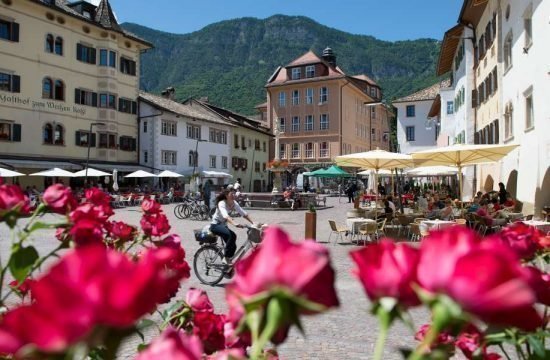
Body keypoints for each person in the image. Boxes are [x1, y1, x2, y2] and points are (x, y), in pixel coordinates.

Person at [210, 188, 254, 265]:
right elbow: (225, 216)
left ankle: (228, 263)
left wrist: (253, 223)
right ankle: (226, 258)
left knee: (233, 243)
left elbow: (243, 213)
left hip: (223, 225)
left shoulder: (234, 203)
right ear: (226, 195)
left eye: (234, 193)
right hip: (215, 225)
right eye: (232, 194)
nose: (234, 195)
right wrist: (235, 223)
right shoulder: (222, 203)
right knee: (230, 235)